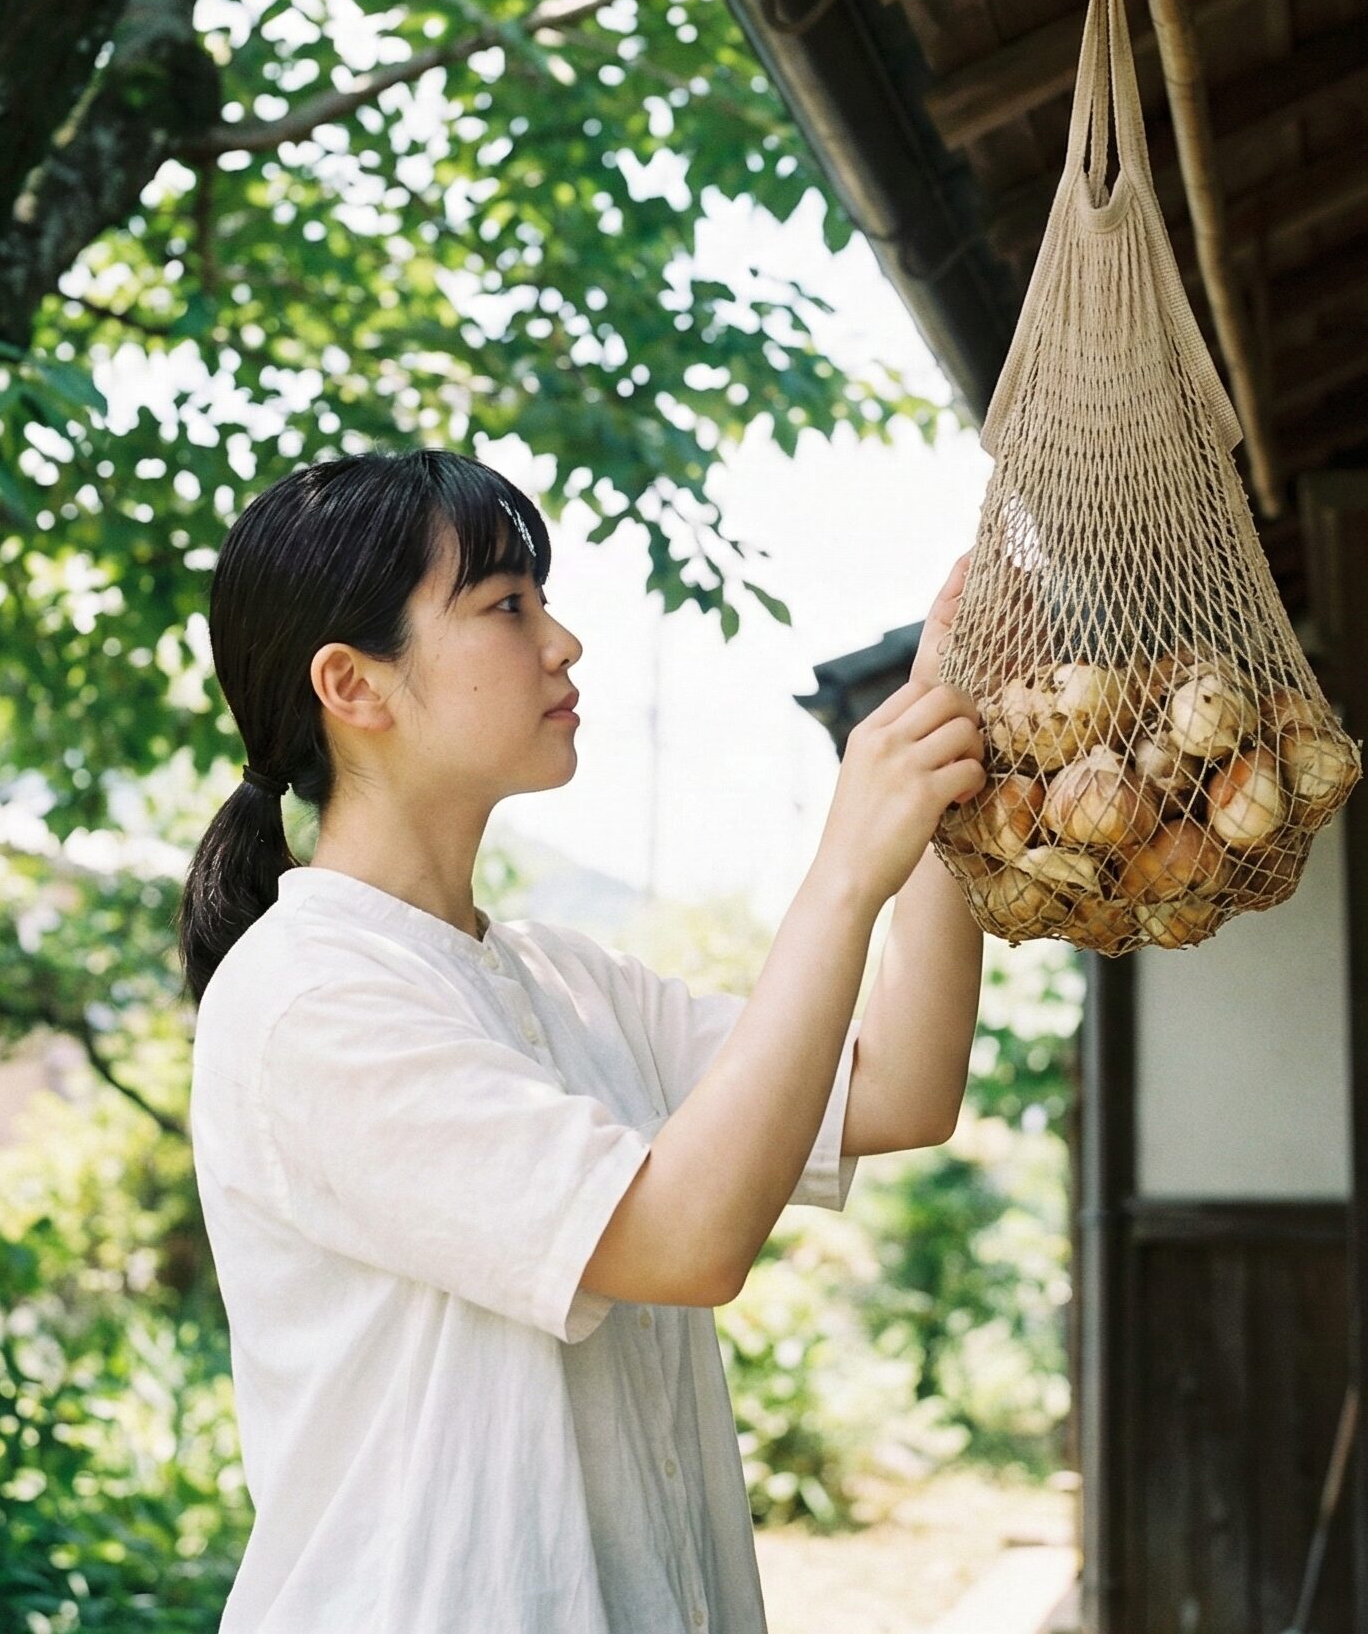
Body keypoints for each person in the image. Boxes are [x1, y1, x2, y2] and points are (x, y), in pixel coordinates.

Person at [180, 446, 987, 1633]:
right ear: (352, 685)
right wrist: (843, 873)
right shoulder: (311, 997)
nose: (561, 642)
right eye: (506, 606)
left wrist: (948, 769)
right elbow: (682, 1239)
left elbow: (901, 1087)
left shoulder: (565, 979)